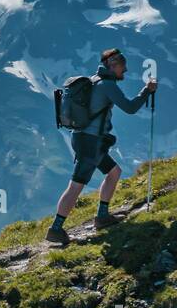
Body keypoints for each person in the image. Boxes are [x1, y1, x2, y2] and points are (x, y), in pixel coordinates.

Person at [45, 48, 157, 244]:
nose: (126, 70)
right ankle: (55, 229)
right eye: (123, 66)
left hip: (82, 138)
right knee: (76, 186)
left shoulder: (94, 80)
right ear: (113, 66)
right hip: (91, 141)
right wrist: (147, 90)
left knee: (114, 172)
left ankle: (102, 217)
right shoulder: (107, 85)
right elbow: (130, 108)